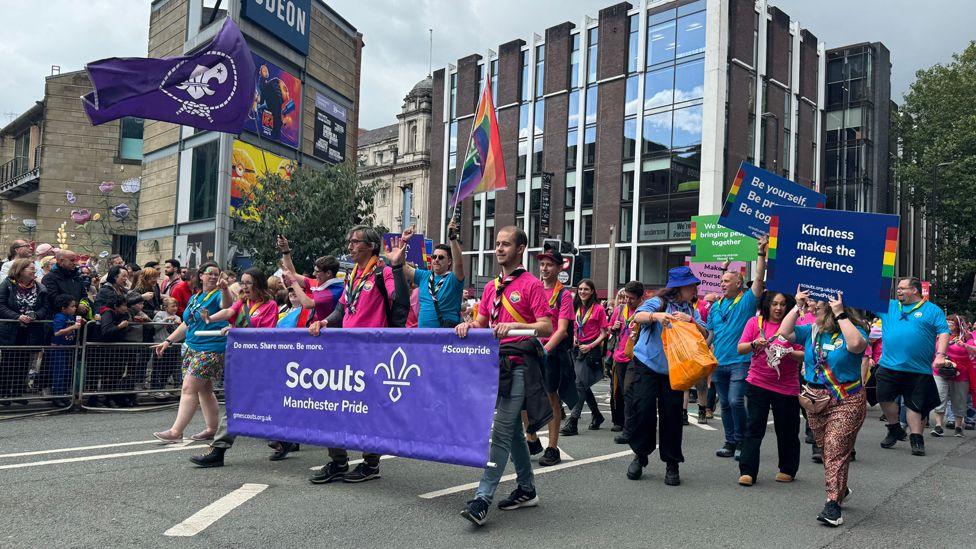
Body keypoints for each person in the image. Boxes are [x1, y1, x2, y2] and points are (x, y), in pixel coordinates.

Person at [455, 226, 553, 526]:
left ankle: (483, 498)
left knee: (500, 430)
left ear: (521, 248)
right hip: (493, 365)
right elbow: (483, 321)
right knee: (510, 432)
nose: (499, 249)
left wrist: (514, 328)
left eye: (506, 244)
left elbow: (546, 327)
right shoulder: (490, 287)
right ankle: (526, 489)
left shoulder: (532, 284)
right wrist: (469, 326)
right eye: (497, 244)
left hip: (519, 365)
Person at [306, 225, 409, 484]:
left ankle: (370, 463)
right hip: (346, 351)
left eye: (355, 242)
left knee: (368, 410)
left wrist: (396, 267)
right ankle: (338, 461)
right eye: (349, 242)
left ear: (370, 246)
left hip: (373, 353)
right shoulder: (351, 276)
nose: (350, 246)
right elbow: (342, 310)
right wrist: (326, 322)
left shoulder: (382, 272)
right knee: (330, 403)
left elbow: (400, 300)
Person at [777, 289, 869, 527]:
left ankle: (832, 506)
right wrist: (797, 306)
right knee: (831, 450)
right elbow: (784, 332)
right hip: (815, 399)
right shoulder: (812, 331)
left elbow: (857, 345)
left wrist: (840, 314)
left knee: (834, 448)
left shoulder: (854, 329)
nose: (813, 306)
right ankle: (839, 488)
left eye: (818, 304)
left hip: (847, 398)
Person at [190, 268, 292, 463]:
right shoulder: (243, 302)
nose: (243, 287)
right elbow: (229, 311)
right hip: (242, 361)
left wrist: (237, 331)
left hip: (261, 363)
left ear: (259, 285)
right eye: (242, 282)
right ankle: (280, 439)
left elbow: (267, 333)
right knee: (244, 403)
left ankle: (219, 450)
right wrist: (211, 319)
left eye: (248, 283)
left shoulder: (269, 305)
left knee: (251, 403)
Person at [624, 266, 705, 485]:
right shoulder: (657, 302)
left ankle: (672, 464)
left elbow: (705, 333)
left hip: (674, 370)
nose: (695, 289)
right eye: (691, 285)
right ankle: (640, 456)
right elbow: (637, 316)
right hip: (646, 365)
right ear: (679, 287)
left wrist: (691, 321)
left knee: (672, 416)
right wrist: (656, 316)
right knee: (642, 411)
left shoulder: (690, 309)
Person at [151, 262, 232, 443]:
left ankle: (176, 431)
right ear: (201, 276)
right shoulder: (195, 297)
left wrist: (226, 289)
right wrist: (168, 340)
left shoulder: (219, 294)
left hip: (211, 347)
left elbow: (227, 306)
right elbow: (187, 324)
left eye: (216, 274)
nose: (212, 277)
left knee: (188, 387)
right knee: (204, 389)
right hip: (191, 347)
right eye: (209, 273)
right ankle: (211, 428)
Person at [706, 236, 768, 459]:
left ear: (738, 284)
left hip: (740, 362)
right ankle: (730, 442)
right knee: (725, 405)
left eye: (726, 280)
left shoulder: (746, 301)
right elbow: (710, 334)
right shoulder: (715, 307)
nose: (722, 283)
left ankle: (741, 441)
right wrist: (702, 353)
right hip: (718, 362)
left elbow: (759, 279)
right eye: (721, 281)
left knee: (734, 401)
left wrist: (761, 253)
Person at [736, 291, 805, 486]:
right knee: (753, 427)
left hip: (787, 386)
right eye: (774, 304)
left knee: (787, 430)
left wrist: (790, 352)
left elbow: (806, 355)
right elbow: (740, 347)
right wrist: (753, 344)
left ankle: (787, 469)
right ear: (767, 305)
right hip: (757, 382)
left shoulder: (796, 326)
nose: (778, 308)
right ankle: (747, 471)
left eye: (783, 304)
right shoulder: (755, 323)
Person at [875, 277, 949, 456]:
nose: (898, 291)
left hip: (918, 369)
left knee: (915, 406)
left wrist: (940, 355)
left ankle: (917, 439)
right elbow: (869, 294)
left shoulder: (932, 310)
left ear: (914, 290)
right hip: (888, 365)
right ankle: (894, 428)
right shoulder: (888, 306)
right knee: (884, 397)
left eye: (902, 288)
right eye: (897, 288)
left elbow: (944, 332)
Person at [526, 246, 576, 466]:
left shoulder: (564, 295)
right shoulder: (534, 288)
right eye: (542, 264)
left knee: (550, 397)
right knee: (522, 397)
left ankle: (552, 448)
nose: (544, 268)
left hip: (550, 353)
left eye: (549, 265)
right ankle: (532, 437)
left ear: (558, 268)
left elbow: (562, 329)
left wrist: (545, 351)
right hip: (530, 349)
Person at [390, 222, 465, 328]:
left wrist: (453, 238)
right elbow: (403, 267)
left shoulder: (453, 279)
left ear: (449, 262)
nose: (436, 260)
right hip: (424, 337)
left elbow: (459, 264)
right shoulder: (424, 276)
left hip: (446, 336)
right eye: (434, 257)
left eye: (441, 257)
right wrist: (404, 241)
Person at [561, 279, 608, 435]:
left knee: (579, 384)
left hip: (590, 350)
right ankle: (597, 415)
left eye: (586, 289)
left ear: (593, 291)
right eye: (580, 289)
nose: (582, 292)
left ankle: (572, 421)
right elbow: (573, 326)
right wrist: (574, 337)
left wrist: (590, 345)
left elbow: (603, 333)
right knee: (583, 385)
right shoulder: (576, 307)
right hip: (576, 349)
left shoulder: (599, 309)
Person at [0, 259, 49, 405]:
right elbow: (1, 305)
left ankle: (17, 392)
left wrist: (36, 315)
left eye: (35, 269)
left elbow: (45, 307)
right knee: (8, 362)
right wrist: (17, 317)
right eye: (31, 269)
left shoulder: (40, 287)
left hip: (30, 330)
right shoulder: (8, 284)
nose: (34, 271)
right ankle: (4, 393)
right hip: (11, 330)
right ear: (20, 270)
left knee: (24, 361)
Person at [609, 282, 645, 440]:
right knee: (620, 392)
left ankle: (630, 430)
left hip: (636, 357)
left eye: (631, 298)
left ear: (640, 298)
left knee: (630, 391)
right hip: (619, 356)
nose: (627, 301)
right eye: (625, 297)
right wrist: (614, 327)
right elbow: (609, 328)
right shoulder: (619, 310)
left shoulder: (644, 311)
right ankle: (622, 422)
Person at [932, 315, 971, 438]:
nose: (949, 324)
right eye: (947, 322)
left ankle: (958, 427)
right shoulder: (940, 335)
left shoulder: (966, 337)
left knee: (959, 399)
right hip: (940, 371)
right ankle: (938, 426)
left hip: (960, 373)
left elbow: (973, 351)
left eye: (951, 322)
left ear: (958, 325)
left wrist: (965, 345)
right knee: (940, 396)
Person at [49, 294, 82, 406]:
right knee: (58, 373)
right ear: (63, 308)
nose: (75, 308)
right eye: (72, 306)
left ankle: (63, 394)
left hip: (68, 348)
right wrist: (72, 327)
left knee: (66, 372)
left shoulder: (71, 317)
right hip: (58, 348)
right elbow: (57, 332)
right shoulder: (59, 317)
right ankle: (56, 396)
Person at [150, 297, 182, 397]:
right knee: (158, 367)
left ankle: (162, 387)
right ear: (165, 307)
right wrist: (165, 320)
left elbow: (180, 331)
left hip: (173, 346)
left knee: (168, 368)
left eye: (176, 306)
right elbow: (155, 326)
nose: (175, 308)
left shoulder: (177, 317)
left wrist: (179, 324)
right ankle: (155, 389)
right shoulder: (160, 314)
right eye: (172, 306)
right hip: (160, 345)